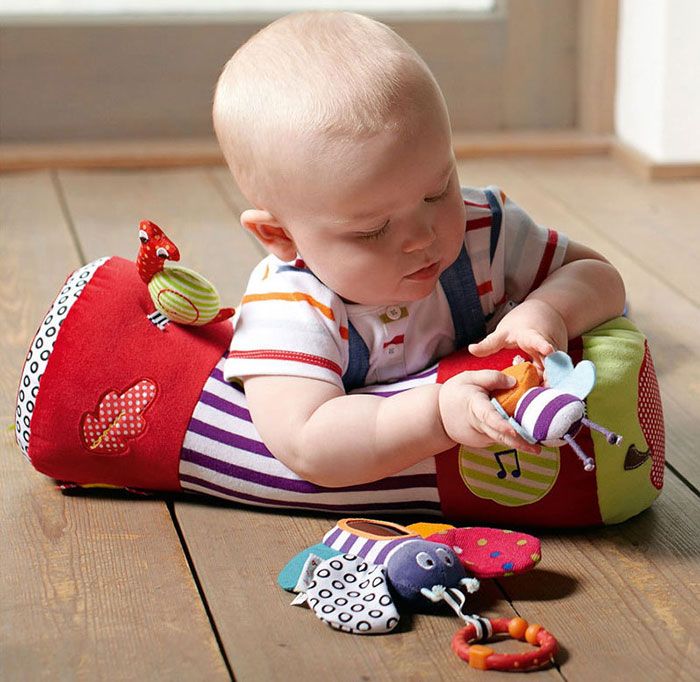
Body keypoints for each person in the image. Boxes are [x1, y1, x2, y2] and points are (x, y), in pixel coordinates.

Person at [212, 11, 625, 489]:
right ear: (279, 236)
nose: (423, 236)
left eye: (437, 191)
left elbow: (598, 274)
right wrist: (438, 415)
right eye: (373, 230)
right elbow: (308, 444)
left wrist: (547, 310)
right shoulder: (287, 308)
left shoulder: (483, 230)